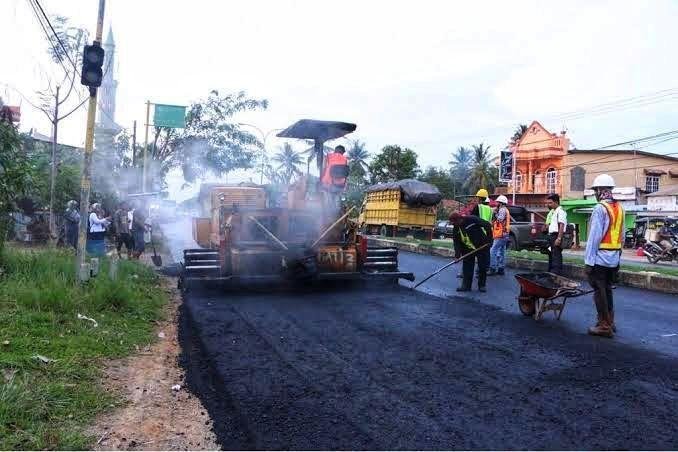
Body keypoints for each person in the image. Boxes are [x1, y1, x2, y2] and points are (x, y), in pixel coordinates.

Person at [585, 174, 624, 338]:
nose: (595, 193)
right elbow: (622, 236)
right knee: (607, 290)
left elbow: (594, 237)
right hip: (613, 258)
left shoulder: (600, 208)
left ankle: (604, 325)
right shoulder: (620, 208)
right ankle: (610, 321)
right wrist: (619, 257)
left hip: (600, 259)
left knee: (599, 292)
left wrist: (588, 261)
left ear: (600, 190)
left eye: (595, 190)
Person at [450, 212, 493, 292]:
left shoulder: (472, 219)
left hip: (481, 246)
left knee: (482, 267)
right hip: (467, 249)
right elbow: (456, 242)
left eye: (454, 223)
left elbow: (487, 225)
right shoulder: (456, 228)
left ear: (459, 219)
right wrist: (457, 255)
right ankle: (466, 286)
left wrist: (489, 240)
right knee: (467, 268)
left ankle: (482, 285)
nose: (453, 225)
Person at [488, 195, 511, 276]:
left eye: (497, 202)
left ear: (501, 203)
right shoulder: (505, 210)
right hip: (504, 233)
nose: (496, 203)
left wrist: (495, 213)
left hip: (501, 234)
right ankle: (501, 269)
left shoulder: (502, 210)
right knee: (502, 251)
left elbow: (500, 219)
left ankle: (492, 268)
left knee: (492, 250)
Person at [545, 193, 567, 275]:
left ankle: (556, 274)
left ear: (556, 202)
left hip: (556, 236)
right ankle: (550, 272)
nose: (548, 205)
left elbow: (562, 225)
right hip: (551, 236)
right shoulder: (554, 211)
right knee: (551, 254)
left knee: (556, 256)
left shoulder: (561, 211)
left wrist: (559, 238)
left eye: (550, 203)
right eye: (548, 203)